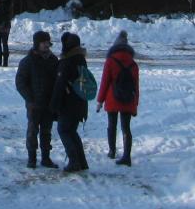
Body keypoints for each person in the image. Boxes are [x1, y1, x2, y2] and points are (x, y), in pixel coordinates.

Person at [15, 30, 58, 168]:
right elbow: (20, 83)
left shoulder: (53, 60)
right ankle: (31, 158)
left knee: (47, 132)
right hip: (34, 104)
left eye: (48, 43)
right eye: (44, 43)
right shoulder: (28, 61)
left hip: (49, 103)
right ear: (37, 44)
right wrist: (30, 98)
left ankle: (46, 158)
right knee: (32, 131)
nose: (47, 45)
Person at [96, 29, 140, 166]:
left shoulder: (110, 61)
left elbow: (105, 82)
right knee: (126, 127)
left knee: (112, 125)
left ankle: (112, 151)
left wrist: (99, 101)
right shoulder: (133, 64)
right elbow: (136, 86)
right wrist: (135, 104)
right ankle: (127, 157)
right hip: (128, 99)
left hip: (112, 99)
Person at [51, 31, 90, 172]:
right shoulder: (81, 60)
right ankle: (81, 162)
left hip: (68, 104)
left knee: (63, 130)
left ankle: (74, 161)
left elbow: (59, 85)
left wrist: (53, 106)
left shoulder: (66, 62)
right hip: (80, 103)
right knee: (72, 131)